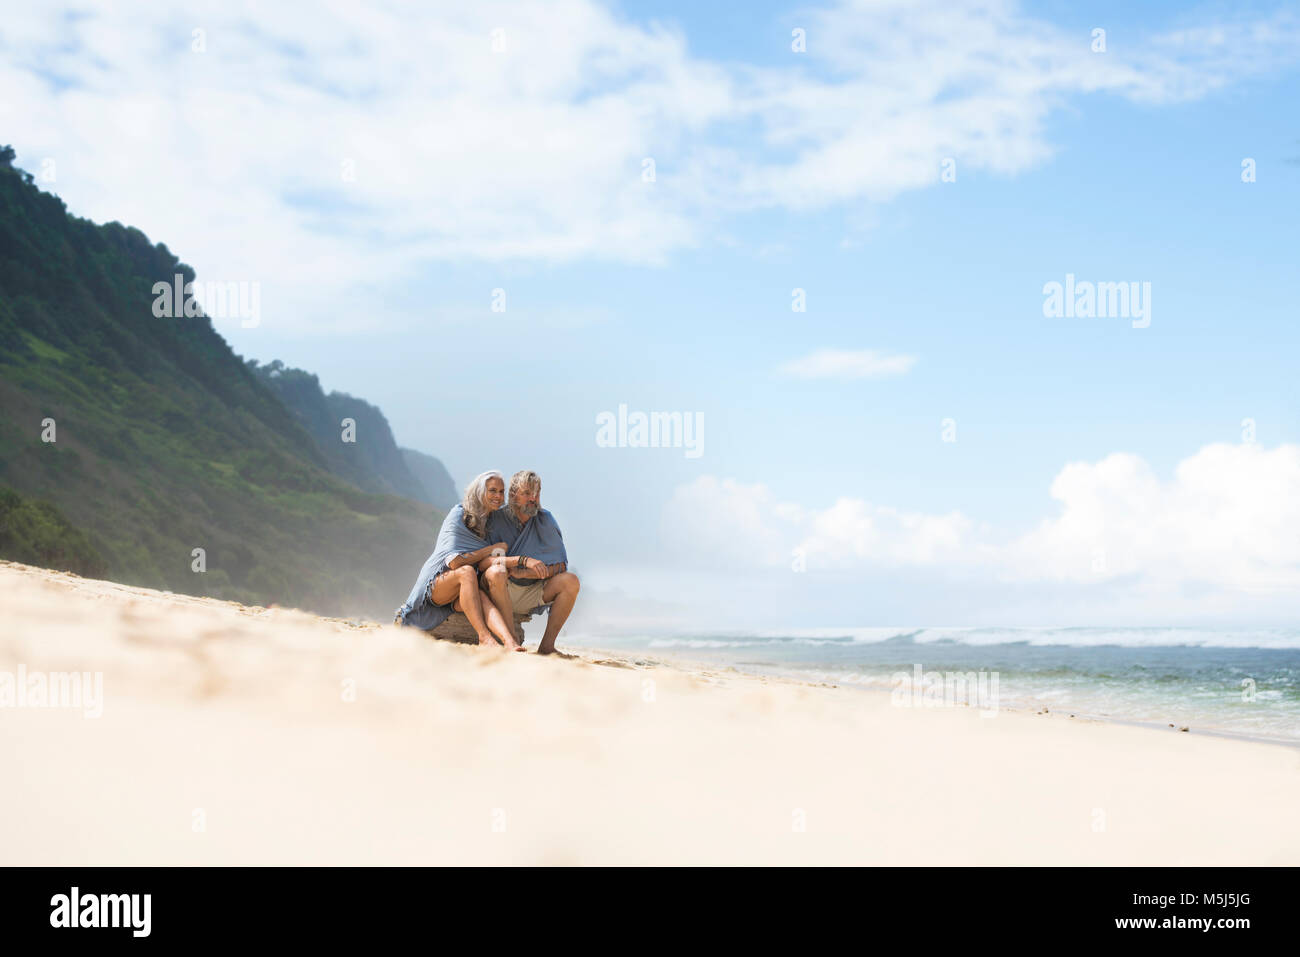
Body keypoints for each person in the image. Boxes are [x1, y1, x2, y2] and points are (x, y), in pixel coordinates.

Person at [394, 471, 524, 651]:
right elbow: (455, 562)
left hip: (463, 590)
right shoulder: (459, 514)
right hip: (437, 587)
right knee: (467, 572)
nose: (498, 496)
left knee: (482, 597)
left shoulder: (491, 523)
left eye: (502, 492)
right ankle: (484, 637)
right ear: (479, 491)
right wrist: (490, 550)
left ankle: (510, 641)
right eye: (492, 490)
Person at [483, 470, 580, 655]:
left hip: (532, 591)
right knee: (496, 572)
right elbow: (485, 561)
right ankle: (511, 641)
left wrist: (526, 573)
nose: (533, 498)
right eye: (527, 493)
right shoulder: (496, 519)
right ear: (513, 494)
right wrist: (519, 564)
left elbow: (560, 566)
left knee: (571, 581)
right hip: (501, 588)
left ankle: (547, 646)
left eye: (537, 493)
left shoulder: (545, 520)